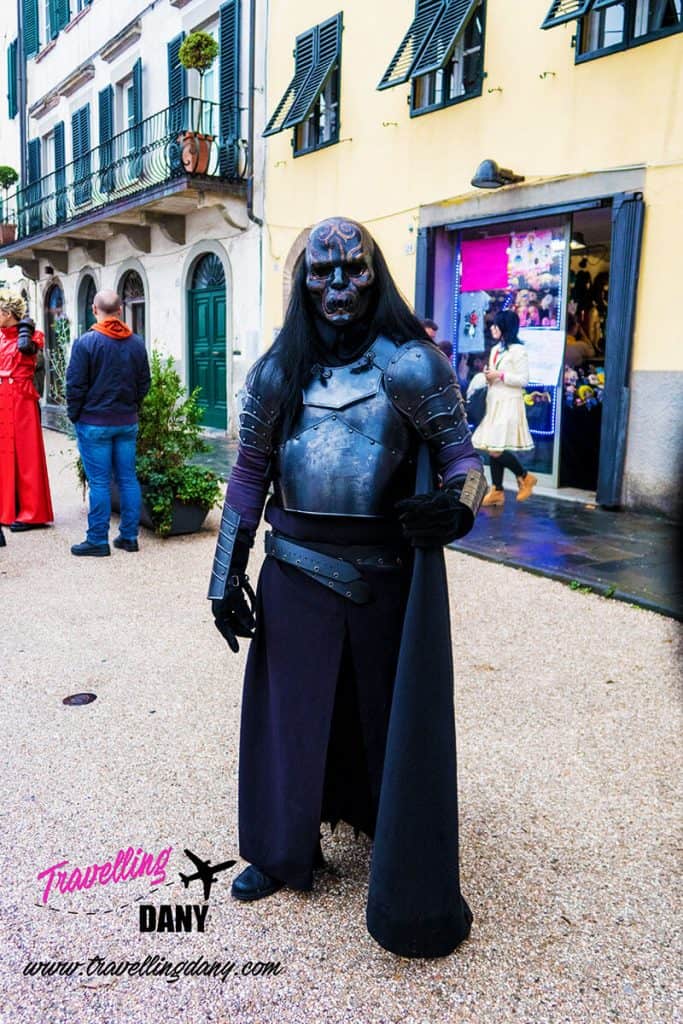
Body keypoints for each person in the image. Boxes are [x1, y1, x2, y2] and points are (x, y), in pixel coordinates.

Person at [208, 217, 487, 939]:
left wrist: (453, 513)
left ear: (375, 274)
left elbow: (463, 462)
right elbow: (247, 477)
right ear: (303, 281)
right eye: (321, 272)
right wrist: (222, 576)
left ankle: (378, 822)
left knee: (378, 708)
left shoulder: (412, 365)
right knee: (288, 716)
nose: (337, 286)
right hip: (294, 572)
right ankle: (278, 845)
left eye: (353, 270)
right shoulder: (277, 373)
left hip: (382, 574)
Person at [66, 289, 150, 556]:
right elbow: (144, 382)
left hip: (94, 422)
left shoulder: (86, 343)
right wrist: (132, 406)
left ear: (94, 310)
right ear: (120, 310)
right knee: (127, 479)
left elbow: (74, 386)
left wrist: (75, 415)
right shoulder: (136, 343)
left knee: (100, 483)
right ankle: (129, 537)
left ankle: (98, 540)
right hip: (126, 421)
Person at [0, 289, 54, 531]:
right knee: (4, 455)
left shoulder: (31, 337)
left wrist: (26, 332)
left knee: (26, 455)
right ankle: (7, 509)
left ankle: (32, 512)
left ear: (8, 313)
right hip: (4, 399)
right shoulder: (1, 337)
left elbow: (32, 353)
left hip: (21, 401)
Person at [471, 309, 537, 506]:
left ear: (504, 328)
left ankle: (525, 477)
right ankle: (497, 490)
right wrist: (489, 375)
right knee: (493, 447)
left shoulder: (519, 351)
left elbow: (523, 379)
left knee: (496, 449)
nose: (492, 328)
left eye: (496, 325)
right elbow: (496, 375)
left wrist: (499, 375)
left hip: (508, 403)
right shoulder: (496, 349)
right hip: (493, 401)